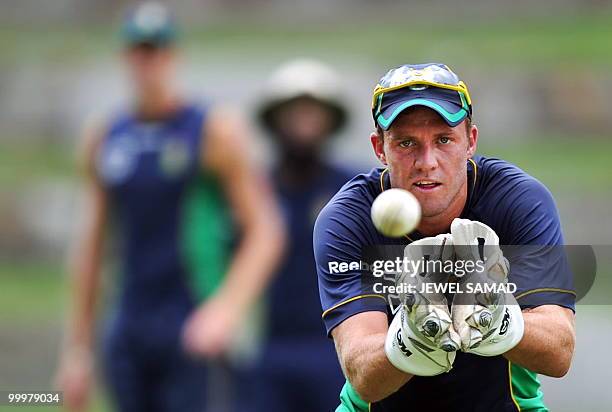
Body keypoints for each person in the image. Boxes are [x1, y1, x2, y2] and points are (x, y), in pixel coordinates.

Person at [55, 2, 284, 411]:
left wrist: (225, 309)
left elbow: (266, 231)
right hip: (129, 323)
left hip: (190, 322)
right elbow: (91, 245)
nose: (150, 61)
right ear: (126, 57)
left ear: (174, 56)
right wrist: (78, 348)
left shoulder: (212, 130)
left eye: (159, 49)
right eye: (141, 50)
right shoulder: (107, 136)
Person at [313, 63, 576, 411]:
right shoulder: (347, 218)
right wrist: (414, 336)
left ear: (470, 141)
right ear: (380, 148)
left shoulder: (517, 200)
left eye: (444, 140)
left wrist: (495, 319)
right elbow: (362, 374)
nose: (427, 161)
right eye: (406, 143)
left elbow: (559, 351)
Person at [242, 59, 351, 411]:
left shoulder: (354, 190)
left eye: (313, 113)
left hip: (337, 347)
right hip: (271, 348)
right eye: (294, 113)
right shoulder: (253, 192)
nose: (304, 122)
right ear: (275, 120)